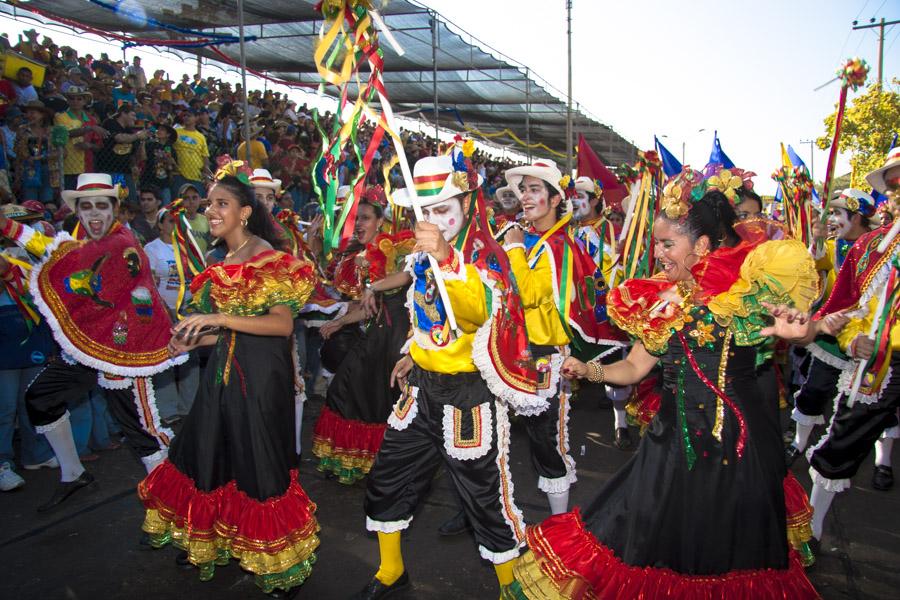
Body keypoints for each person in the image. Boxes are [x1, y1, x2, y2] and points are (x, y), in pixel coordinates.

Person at [508, 177, 822, 598]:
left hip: (742, 442)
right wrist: (588, 370)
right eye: (657, 244)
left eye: (667, 245)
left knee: (733, 541)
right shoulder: (661, 300)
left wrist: (800, 334)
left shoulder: (749, 291)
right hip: (673, 441)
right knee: (643, 531)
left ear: (704, 245)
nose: (657, 253)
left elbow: (799, 331)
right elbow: (635, 367)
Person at [352, 153, 546, 599]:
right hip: (421, 386)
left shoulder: (484, 253)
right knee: (388, 477)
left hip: (468, 392)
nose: (435, 220)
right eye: (427, 211)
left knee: (484, 497)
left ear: (467, 204)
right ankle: (391, 570)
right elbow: (424, 312)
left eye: (443, 209)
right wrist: (411, 352)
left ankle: (510, 587)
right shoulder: (422, 251)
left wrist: (447, 258)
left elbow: (480, 313)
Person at [138, 172, 319, 598]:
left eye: (221, 203)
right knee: (207, 455)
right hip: (222, 374)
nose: (211, 210)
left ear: (245, 212)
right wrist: (187, 341)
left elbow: (279, 325)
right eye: (209, 204)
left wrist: (216, 319)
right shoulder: (221, 261)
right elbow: (227, 333)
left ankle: (280, 564)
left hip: (260, 380)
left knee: (259, 464)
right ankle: (213, 541)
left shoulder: (267, 256)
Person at [0, 173, 185, 511]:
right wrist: (15, 266)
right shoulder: (80, 236)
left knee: (141, 431)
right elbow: (67, 265)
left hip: (127, 346)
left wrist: (10, 231)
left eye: (102, 205)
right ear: (79, 211)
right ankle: (74, 475)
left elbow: (71, 263)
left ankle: (174, 507)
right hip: (91, 344)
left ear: (116, 209)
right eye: (87, 207)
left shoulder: (120, 242)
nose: (94, 213)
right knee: (40, 398)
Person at [502, 160, 622, 515]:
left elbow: (530, 296)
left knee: (545, 439)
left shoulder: (557, 247)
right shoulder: (533, 238)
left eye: (534, 189)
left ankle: (560, 525)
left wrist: (512, 249)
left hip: (544, 356)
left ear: (556, 199)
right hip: (513, 351)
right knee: (499, 431)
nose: (524, 196)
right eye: (522, 189)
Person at [797, 149, 900, 549]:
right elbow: (846, 304)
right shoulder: (871, 248)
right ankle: (811, 527)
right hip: (880, 365)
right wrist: (853, 337)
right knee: (842, 439)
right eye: (893, 183)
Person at [311, 197, 415, 484]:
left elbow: (405, 277)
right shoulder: (363, 254)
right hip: (377, 333)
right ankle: (356, 461)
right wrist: (339, 322)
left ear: (380, 221)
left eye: (365, 218)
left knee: (365, 398)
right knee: (353, 396)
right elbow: (367, 307)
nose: (358, 225)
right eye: (355, 219)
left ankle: (377, 464)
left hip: (394, 338)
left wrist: (373, 285)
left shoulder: (395, 247)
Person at [786, 188, 877, 467]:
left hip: (872, 336)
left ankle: (882, 462)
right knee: (815, 389)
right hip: (832, 332)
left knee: (871, 403)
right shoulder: (836, 247)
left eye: (839, 213)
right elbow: (814, 262)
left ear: (858, 216)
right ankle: (799, 443)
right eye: (833, 213)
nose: (834, 219)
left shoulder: (882, 250)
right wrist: (817, 238)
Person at [55, 86, 106, 190]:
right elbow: (67, 133)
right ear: (67, 100)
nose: (75, 101)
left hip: (88, 166)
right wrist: (90, 128)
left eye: (79, 99)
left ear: (84, 101)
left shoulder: (91, 119)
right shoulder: (60, 117)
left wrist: (90, 145)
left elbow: (99, 146)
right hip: (68, 166)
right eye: (71, 98)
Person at [96, 104, 148, 202]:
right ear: (123, 113)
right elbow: (119, 138)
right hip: (109, 170)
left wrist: (142, 141)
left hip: (125, 172)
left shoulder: (130, 131)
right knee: (114, 200)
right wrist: (137, 136)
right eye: (133, 115)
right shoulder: (110, 123)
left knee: (131, 201)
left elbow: (137, 155)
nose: (135, 118)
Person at [15, 100, 58, 204]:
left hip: (47, 169)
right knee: (30, 202)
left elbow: (62, 152)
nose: (29, 115)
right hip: (29, 169)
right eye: (28, 112)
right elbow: (17, 151)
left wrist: (43, 157)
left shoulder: (51, 131)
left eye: (33, 112)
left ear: (42, 114)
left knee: (47, 200)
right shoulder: (22, 130)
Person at [173, 110, 210, 194]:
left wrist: (207, 177)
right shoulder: (176, 132)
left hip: (196, 176)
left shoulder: (201, 137)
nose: (186, 117)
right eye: (185, 115)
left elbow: (205, 157)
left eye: (189, 116)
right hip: (179, 174)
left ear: (196, 118)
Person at [140, 123, 177, 205]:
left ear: (168, 134)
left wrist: (170, 161)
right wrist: (142, 142)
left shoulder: (170, 149)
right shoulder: (150, 144)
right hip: (149, 180)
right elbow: (143, 158)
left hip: (164, 183)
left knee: (166, 206)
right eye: (158, 129)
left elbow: (174, 167)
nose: (158, 131)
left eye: (162, 130)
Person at [178, 183, 210, 254]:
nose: (191, 202)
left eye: (194, 198)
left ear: (200, 200)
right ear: (179, 201)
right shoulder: (175, 221)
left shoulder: (206, 220)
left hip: (202, 263)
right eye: (186, 198)